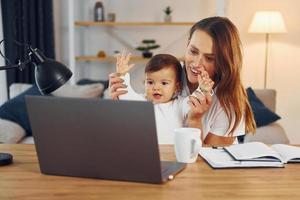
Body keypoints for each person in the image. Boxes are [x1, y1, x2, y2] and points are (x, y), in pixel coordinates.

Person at [109, 16, 256, 146]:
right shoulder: (172, 74)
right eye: (193, 51)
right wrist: (120, 99)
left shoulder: (229, 105)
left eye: (210, 58)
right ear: (187, 46)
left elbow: (207, 164)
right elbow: (147, 106)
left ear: (223, 62)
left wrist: (195, 120)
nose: (196, 64)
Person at [115, 52, 214, 144]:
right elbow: (124, 93)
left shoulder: (179, 104)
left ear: (176, 87)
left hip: (172, 155)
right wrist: (122, 75)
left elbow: (195, 100)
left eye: (164, 83)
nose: (156, 88)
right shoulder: (141, 102)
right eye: (150, 82)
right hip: (145, 152)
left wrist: (203, 89)